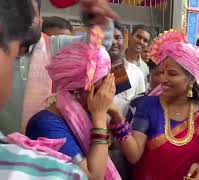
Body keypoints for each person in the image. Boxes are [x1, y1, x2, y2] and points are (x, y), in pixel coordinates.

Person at [107, 30, 199, 180]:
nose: (163, 79)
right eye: (162, 72)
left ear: (191, 79)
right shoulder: (148, 105)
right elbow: (134, 155)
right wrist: (117, 117)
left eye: (171, 74)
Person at [0, 0, 116, 135]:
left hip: (48, 144)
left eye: (30, 15)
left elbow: (95, 45)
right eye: (20, 16)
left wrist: (98, 18)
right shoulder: (4, 52)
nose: (26, 21)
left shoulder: (56, 45)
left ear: (41, 20)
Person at [0, 0, 87, 179]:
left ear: (40, 19)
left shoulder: (55, 46)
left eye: (27, 16)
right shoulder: (61, 174)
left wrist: (100, 21)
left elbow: (99, 41)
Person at [26, 26, 121, 180]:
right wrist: (99, 116)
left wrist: (116, 116)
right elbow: (92, 175)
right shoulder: (44, 125)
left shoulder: (86, 112)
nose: (107, 90)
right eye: (101, 84)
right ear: (76, 91)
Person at [108, 21, 146, 115]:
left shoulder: (137, 73)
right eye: (108, 38)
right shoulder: (91, 70)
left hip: (124, 128)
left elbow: (139, 106)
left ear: (124, 39)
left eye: (117, 38)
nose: (113, 42)